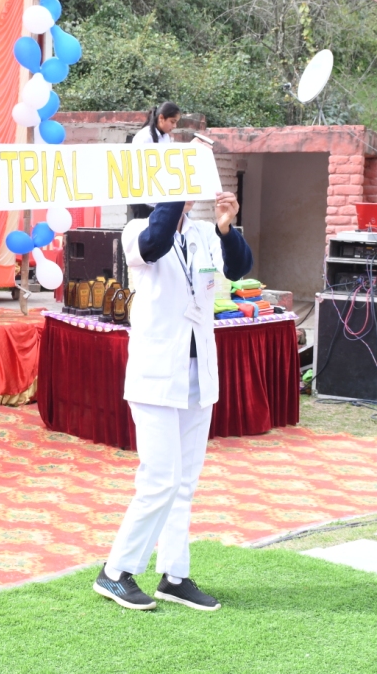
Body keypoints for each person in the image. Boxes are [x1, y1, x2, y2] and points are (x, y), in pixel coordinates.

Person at [94, 193, 252, 611]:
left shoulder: (202, 233)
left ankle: (175, 575)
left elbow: (238, 268)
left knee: (184, 484)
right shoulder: (137, 231)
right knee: (160, 479)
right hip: (157, 375)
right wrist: (176, 193)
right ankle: (115, 571)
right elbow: (157, 241)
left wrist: (226, 228)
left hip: (198, 375)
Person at [129, 102, 181, 219]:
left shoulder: (166, 137)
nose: (174, 126)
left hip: (159, 196)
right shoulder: (144, 137)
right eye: (172, 121)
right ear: (161, 118)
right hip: (142, 198)